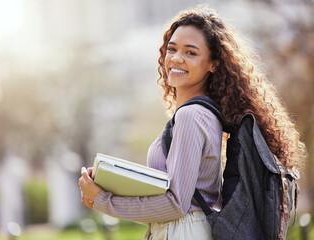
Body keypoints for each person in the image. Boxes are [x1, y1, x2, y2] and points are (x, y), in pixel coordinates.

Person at [79, 5, 306, 240]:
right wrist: (110, 189)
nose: (176, 58)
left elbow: (176, 204)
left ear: (213, 63)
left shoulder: (192, 116)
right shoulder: (206, 114)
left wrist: (102, 201)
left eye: (191, 52)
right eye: (172, 48)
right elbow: (178, 205)